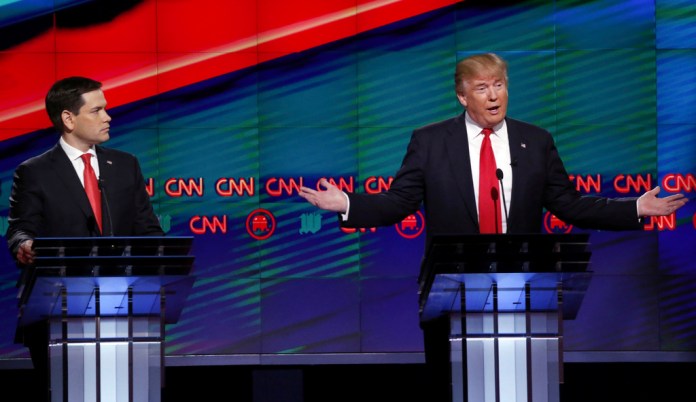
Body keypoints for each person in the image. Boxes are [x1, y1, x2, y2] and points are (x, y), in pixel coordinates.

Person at [299, 53, 688, 401]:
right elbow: (399, 202)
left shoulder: (534, 141)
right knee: (456, 391)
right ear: (462, 97)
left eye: (498, 85)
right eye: (482, 88)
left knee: (523, 392)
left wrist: (634, 206)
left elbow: (568, 204)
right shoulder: (431, 142)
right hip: (452, 294)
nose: (492, 95)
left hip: (523, 293)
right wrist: (347, 202)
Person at [6, 76, 164, 401]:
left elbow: (148, 231)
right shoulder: (34, 171)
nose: (108, 117)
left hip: (122, 308)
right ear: (68, 118)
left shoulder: (123, 165)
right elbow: (21, 229)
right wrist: (24, 246)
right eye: (97, 110)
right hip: (58, 310)